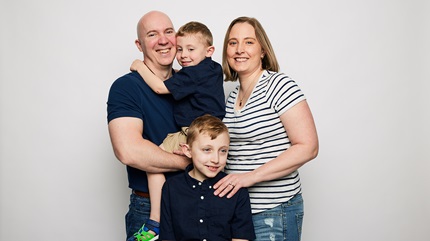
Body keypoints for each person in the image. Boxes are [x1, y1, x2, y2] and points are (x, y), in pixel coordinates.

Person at [213, 16, 319, 241]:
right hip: (238, 213)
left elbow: (308, 147)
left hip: (274, 211)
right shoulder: (231, 97)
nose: (240, 49)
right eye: (233, 43)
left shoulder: (279, 86)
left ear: (262, 50)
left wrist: (249, 177)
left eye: (249, 42)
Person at [129, 21, 226, 241]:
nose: (183, 55)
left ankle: (155, 221)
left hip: (194, 132)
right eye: (180, 49)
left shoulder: (192, 74)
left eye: (191, 50)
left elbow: (159, 87)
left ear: (209, 51)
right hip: (213, 132)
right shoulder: (213, 69)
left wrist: (139, 66)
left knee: (153, 160)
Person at [106, 11, 190, 241]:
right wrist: (189, 162)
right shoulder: (126, 88)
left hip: (197, 202)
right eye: (152, 34)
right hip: (150, 208)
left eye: (168, 32)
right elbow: (128, 150)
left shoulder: (191, 84)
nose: (163, 40)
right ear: (139, 44)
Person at [159, 114, 255, 241]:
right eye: (207, 150)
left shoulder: (236, 189)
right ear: (187, 151)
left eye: (223, 151)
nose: (216, 159)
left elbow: (241, 236)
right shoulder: (171, 187)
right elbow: (167, 235)